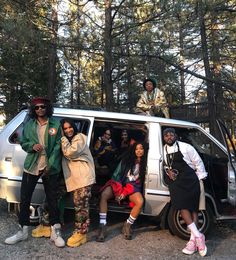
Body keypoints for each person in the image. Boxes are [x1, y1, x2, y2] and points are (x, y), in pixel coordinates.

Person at [4, 97, 65, 247]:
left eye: (42, 107)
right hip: (31, 165)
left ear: (47, 108)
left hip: (50, 167)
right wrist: (32, 146)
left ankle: (55, 232)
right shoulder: (30, 124)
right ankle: (22, 231)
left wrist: (50, 164)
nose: (39, 110)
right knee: (25, 198)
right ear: (33, 110)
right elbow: (23, 142)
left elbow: (59, 145)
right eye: (36, 108)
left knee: (52, 199)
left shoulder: (56, 124)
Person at [163, 128, 208, 257]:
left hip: (191, 180)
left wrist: (199, 179)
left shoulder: (186, 147)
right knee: (182, 207)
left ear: (175, 136)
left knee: (193, 208)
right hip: (176, 183)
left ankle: (192, 241)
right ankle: (199, 236)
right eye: (167, 135)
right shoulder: (163, 149)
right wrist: (168, 171)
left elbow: (198, 162)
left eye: (171, 135)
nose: (169, 137)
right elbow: (165, 165)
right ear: (164, 138)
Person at [96, 142, 148, 242]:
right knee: (104, 195)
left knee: (140, 201)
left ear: (144, 150)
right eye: (136, 149)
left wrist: (124, 193)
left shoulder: (146, 164)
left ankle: (127, 224)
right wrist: (119, 191)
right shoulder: (126, 160)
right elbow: (116, 176)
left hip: (132, 188)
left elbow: (137, 183)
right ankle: (102, 225)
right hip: (118, 184)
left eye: (141, 148)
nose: (139, 151)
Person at [60, 118, 96, 247]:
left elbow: (70, 152)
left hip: (83, 178)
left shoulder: (79, 137)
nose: (68, 130)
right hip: (77, 178)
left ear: (74, 127)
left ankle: (81, 234)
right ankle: (80, 232)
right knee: (79, 205)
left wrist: (62, 138)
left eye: (70, 127)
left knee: (81, 207)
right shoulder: (68, 141)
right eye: (65, 129)